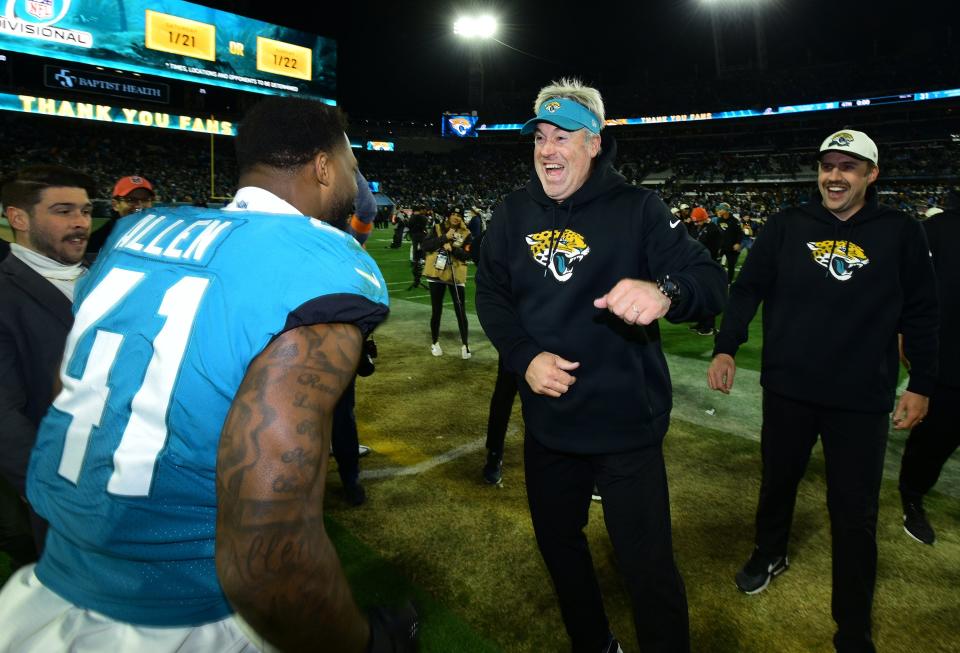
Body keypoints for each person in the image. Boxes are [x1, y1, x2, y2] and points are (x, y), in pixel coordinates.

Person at [0, 97, 418, 653]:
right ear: (323, 166)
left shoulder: (134, 233)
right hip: (182, 612)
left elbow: (68, 388)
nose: (353, 178)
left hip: (47, 587)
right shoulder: (320, 263)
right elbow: (266, 552)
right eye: (350, 165)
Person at [476, 78, 726, 653]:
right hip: (549, 424)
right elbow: (491, 293)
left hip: (624, 427)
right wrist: (524, 356)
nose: (547, 149)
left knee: (648, 570)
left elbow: (709, 280)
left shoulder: (639, 208)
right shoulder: (512, 213)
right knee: (560, 549)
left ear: (594, 142)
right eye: (540, 136)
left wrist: (666, 291)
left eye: (563, 136)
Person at [707, 128, 938, 653]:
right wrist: (726, 346)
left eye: (848, 167)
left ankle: (853, 624)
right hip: (789, 387)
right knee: (777, 483)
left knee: (854, 512)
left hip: (861, 399)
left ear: (871, 175)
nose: (835, 176)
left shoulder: (900, 231)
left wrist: (921, 382)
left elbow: (924, 313)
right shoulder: (789, 224)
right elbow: (748, 289)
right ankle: (770, 552)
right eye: (827, 165)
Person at [0, 165, 96, 558]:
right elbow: (4, 414)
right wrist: (44, 488)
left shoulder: (110, 274)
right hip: (65, 485)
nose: (80, 223)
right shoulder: (5, 293)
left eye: (87, 211)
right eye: (63, 211)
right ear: (18, 217)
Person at [897, 188, 960, 545]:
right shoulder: (937, 229)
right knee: (935, 439)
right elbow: (911, 286)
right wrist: (905, 331)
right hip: (948, 357)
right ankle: (912, 496)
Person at [424, 209, 473, 359]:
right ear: (448, 215)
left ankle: (465, 345)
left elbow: (467, 255)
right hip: (436, 273)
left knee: (460, 310)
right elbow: (426, 246)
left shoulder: (467, 234)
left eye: (459, 215)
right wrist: (444, 238)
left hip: (455, 275)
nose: (456, 217)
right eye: (453, 214)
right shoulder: (437, 228)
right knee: (436, 310)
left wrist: (453, 249)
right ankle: (435, 342)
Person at [86, 175, 155, 255]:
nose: (139, 206)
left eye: (145, 200)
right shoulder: (97, 241)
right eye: (131, 200)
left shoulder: (160, 233)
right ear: (115, 205)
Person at [688, 206, 722, 336]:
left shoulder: (713, 230)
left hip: (708, 266)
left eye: (698, 221)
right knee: (699, 296)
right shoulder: (698, 227)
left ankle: (709, 326)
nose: (696, 224)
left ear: (704, 218)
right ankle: (701, 323)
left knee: (708, 297)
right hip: (697, 266)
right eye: (695, 221)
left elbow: (714, 250)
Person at [715, 201, 743, 283]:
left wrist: (738, 243)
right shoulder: (719, 220)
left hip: (732, 248)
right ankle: (717, 278)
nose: (718, 211)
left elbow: (740, 233)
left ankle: (729, 282)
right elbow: (718, 233)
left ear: (726, 210)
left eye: (720, 209)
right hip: (722, 247)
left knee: (731, 266)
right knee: (716, 264)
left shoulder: (735, 221)